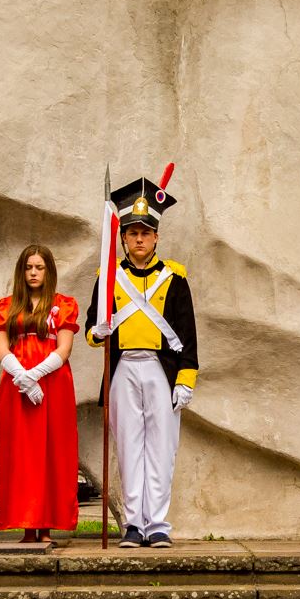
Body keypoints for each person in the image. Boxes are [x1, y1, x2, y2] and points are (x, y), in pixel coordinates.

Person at [87, 172, 198, 547]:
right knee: (129, 447)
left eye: (145, 232)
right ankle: (134, 523)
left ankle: (159, 524)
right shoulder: (108, 276)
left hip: (160, 369)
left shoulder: (174, 277)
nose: (138, 238)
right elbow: (91, 327)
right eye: (132, 232)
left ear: (156, 236)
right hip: (122, 369)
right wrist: (97, 332)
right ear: (121, 237)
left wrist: (186, 379)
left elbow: (187, 335)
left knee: (162, 448)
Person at [0, 243, 79, 540]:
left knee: (53, 452)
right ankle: (27, 524)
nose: (33, 273)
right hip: (16, 386)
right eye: (28, 267)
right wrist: (22, 376)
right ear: (21, 271)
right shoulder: (7, 305)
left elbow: (64, 348)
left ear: (48, 271)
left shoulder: (64, 304)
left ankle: (46, 524)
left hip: (53, 383)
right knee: (22, 454)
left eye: (39, 267)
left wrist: (36, 375)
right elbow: (1, 346)